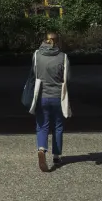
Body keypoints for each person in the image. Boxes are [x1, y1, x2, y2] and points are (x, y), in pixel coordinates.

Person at [28, 32, 71, 173]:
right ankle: (57, 156)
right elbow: (68, 78)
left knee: (42, 125)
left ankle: (41, 149)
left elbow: (34, 74)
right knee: (58, 126)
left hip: (41, 96)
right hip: (58, 96)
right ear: (58, 41)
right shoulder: (63, 57)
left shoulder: (36, 55)